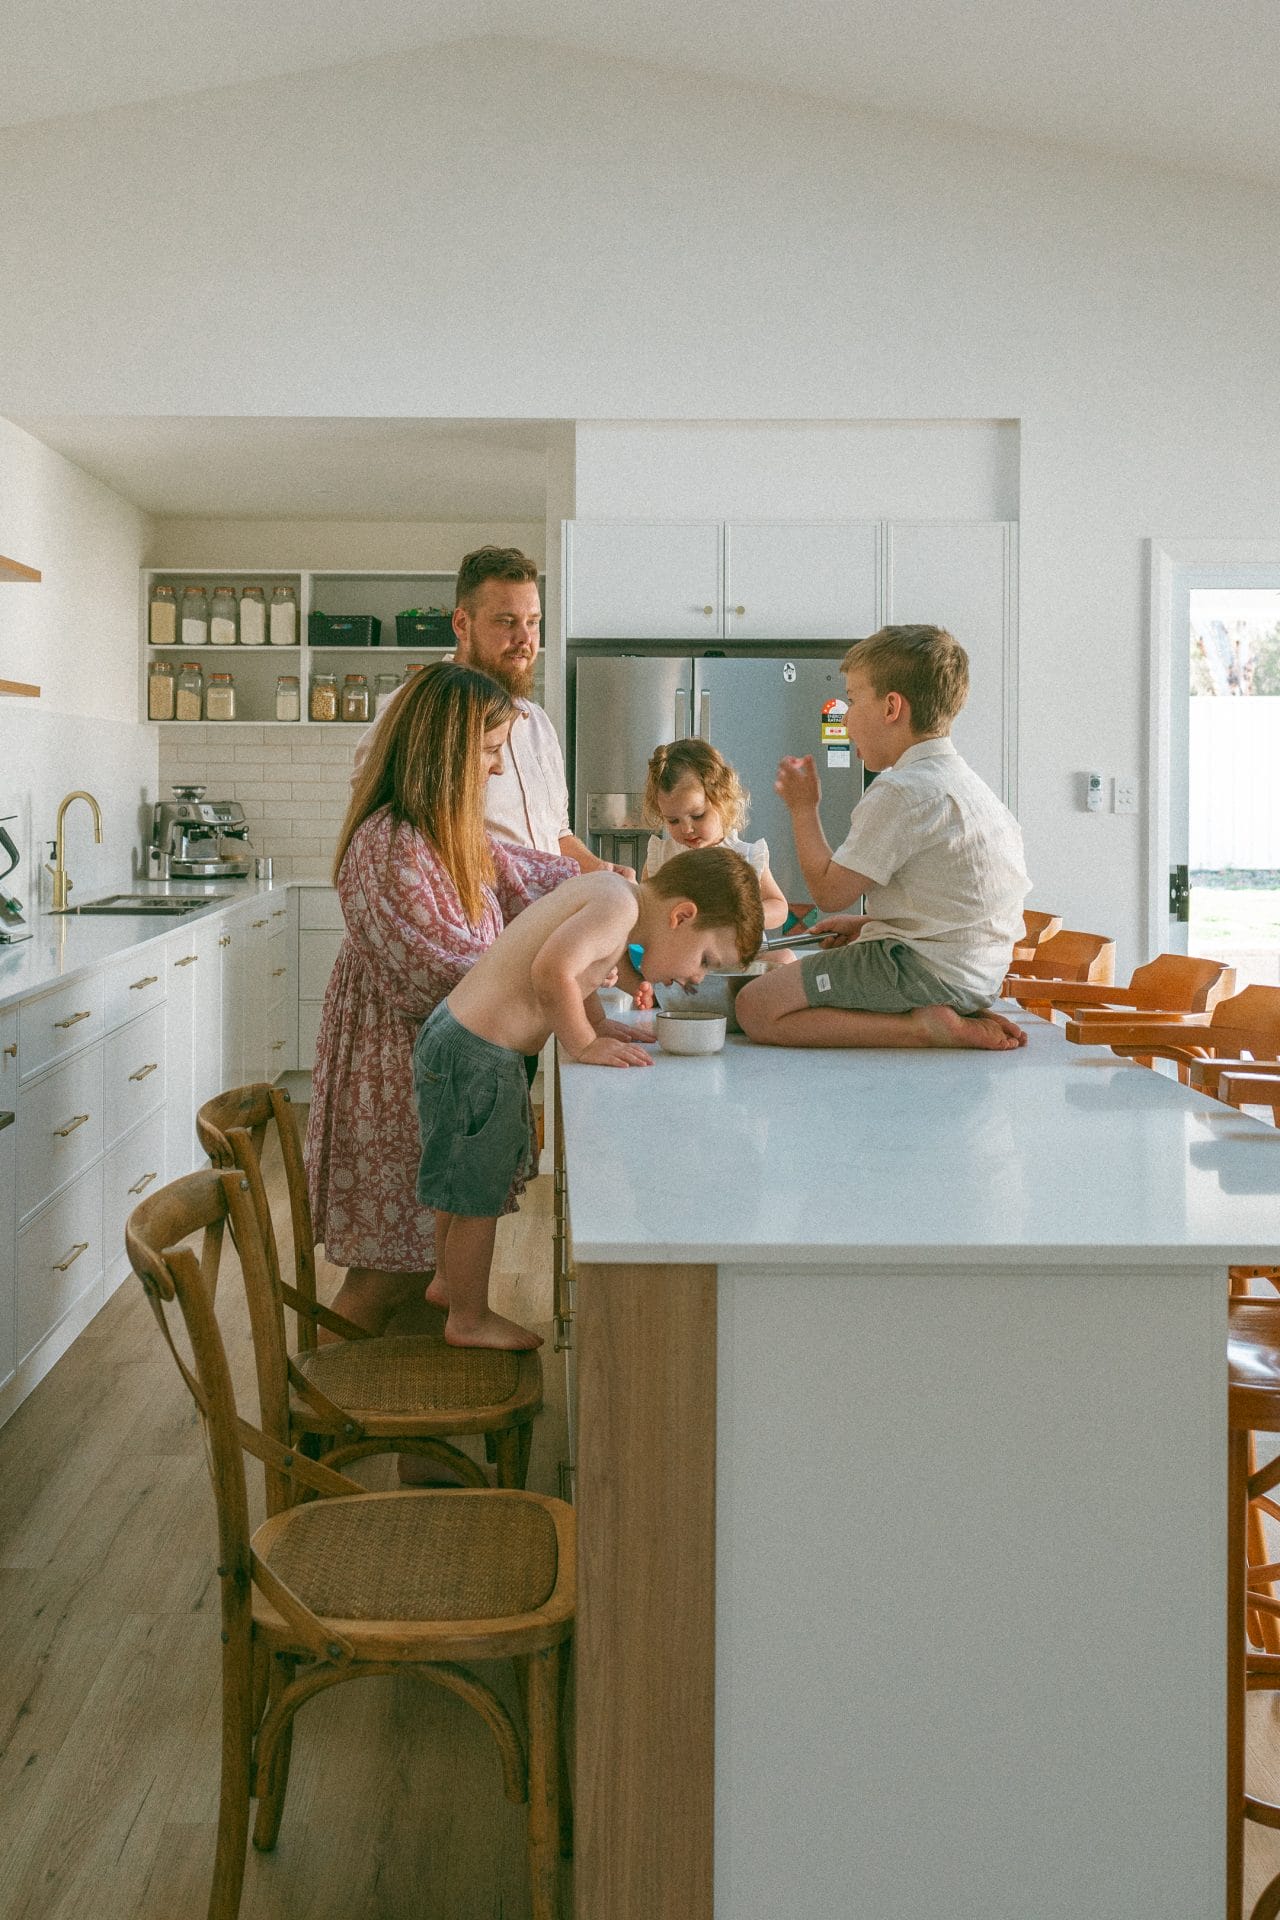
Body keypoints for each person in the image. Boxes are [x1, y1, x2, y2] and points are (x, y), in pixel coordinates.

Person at [304, 661, 580, 1342]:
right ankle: (310, 1415)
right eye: (487, 753)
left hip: (431, 1071)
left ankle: (416, 1422)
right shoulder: (390, 845)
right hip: (398, 1076)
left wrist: (625, 898)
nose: (494, 771)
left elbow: (536, 877)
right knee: (385, 1274)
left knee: (421, 1252)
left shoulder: (451, 832)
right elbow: (442, 977)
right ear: (446, 751)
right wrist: (553, 985)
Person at [414, 847, 764, 1350]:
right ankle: (467, 1319)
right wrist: (583, 1043)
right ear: (681, 915)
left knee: (458, 1179)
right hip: (478, 1058)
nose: (696, 978)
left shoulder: (613, 896)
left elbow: (575, 972)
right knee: (477, 1198)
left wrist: (599, 1024)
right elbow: (551, 972)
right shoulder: (617, 908)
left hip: (458, 1040)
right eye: (705, 960)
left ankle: (448, 1282)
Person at [734, 624, 1031, 1051]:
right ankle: (939, 1016)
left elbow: (828, 893)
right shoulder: (968, 786)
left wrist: (803, 809)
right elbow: (953, 905)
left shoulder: (902, 789)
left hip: (921, 971)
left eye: (852, 700)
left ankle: (925, 1029)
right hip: (975, 977)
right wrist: (870, 924)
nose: (845, 716)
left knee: (756, 1008)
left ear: (892, 707)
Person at [355, 544, 629, 876]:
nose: (525, 638)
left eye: (533, 622)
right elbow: (386, 843)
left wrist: (600, 871)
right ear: (461, 624)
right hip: (467, 925)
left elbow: (555, 835)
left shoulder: (537, 722)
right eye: (506, 621)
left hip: (542, 923)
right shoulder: (415, 711)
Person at [641, 738, 789, 930]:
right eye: (673, 820)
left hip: (739, 956)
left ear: (723, 799)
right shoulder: (661, 856)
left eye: (698, 815)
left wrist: (741, 918)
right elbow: (642, 909)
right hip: (683, 957)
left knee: (783, 956)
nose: (686, 829)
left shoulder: (746, 856)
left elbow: (779, 907)